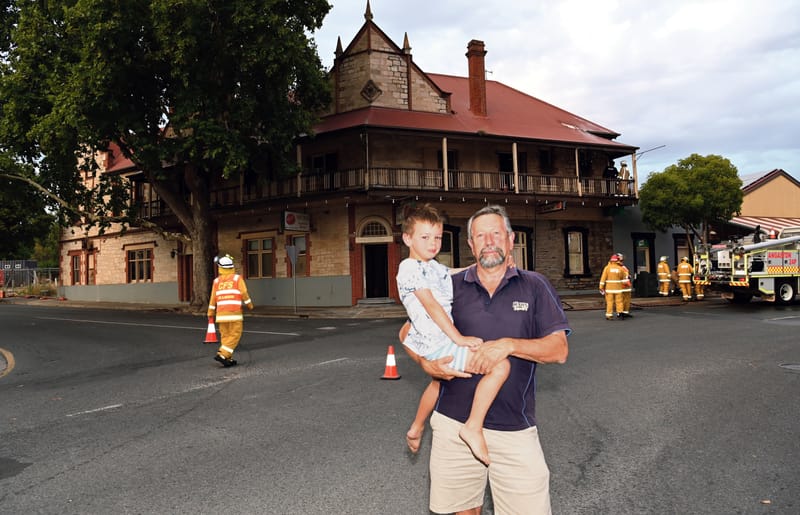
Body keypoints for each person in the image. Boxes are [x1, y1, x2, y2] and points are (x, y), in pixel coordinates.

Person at [402, 204, 570, 515]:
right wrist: (426, 364)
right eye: (480, 235)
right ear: (470, 244)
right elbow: (407, 333)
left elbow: (557, 350)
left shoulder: (535, 285)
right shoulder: (450, 285)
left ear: (510, 239)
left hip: (514, 429)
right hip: (453, 427)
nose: (489, 240)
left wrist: (507, 345)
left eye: (496, 233)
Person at [397, 204, 508, 466]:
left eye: (437, 237)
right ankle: (473, 426)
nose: (433, 243)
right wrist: (458, 338)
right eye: (425, 237)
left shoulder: (433, 267)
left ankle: (416, 427)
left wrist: (483, 262)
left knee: (439, 383)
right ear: (407, 238)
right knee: (500, 366)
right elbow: (431, 306)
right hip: (438, 342)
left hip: (436, 341)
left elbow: (454, 274)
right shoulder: (409, 268)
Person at [207, 254, 254, 367]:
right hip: (234, 313)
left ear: (220, 268)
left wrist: (210, 312)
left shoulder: (216, 281)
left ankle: (227, 358)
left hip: (221, 314)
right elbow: (243, 293)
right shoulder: (237, 278)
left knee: (226, 335)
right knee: (235, 335)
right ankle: (223, 354)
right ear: (232, 267)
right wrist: (249, 304)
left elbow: (213, 298)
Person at [599, 254, 626, 320]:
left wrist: (601, 287)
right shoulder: (620, 268)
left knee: (609, 302)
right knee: (619, 301)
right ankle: (620, 313)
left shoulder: (607, 268)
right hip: (618, 289)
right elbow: (624, 278)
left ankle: (609, 315)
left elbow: (603, 278)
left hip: (609, 289)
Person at [616, 253, 633, 318]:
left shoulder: (624, 267)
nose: (622, 261)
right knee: (620, 301)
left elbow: (626, 275)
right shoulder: (616, 268)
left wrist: (628, 276)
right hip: (620, 287)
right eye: (621, 260)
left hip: (627, 287)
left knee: (627, 301)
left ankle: (625, 312)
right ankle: (620, 313)